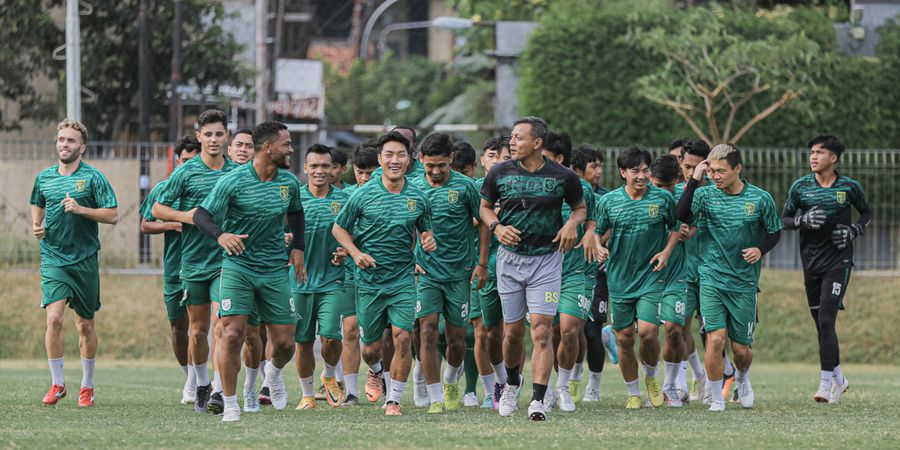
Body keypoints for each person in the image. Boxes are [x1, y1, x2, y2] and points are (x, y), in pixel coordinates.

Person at [192, 121, 306, 422]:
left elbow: (296, 212)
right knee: (231, 334)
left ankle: (273, 373)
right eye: (287, 144)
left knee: (284, 344)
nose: (291, 149)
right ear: (268, 148)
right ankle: (230, 402)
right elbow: (201, 215)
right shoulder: (233, 181)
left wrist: (298, 248)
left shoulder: (289, 183)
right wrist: (220, 235)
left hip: (274, 270)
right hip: (238, 267)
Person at [480, 116, 586, 421]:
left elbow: (580, 209)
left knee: (541, 330)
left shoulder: (563, 176)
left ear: (537, 143)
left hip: (547, 262)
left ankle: (538, 400)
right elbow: (484, 207)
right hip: (510, 261)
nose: (512, 143)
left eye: (518, 138)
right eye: (512, 137)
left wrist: (570, 224)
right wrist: (497, 228)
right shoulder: (499, 172)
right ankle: (512, 384)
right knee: (512, 333)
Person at [332, 131, 435, 416]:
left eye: (400, 155)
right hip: (369, 281)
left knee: (403, 336)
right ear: (380, 160)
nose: (394, 160)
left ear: (409, 159)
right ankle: (375, 370)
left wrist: (429, 241)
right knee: (371, 349)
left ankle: (394, 400)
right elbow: (338, 229)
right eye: (388, 155)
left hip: (403, 279)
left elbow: (426, 231)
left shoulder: (418, 197)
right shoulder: (363, 195)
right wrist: (355, 253)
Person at [675, 143, 782, 412]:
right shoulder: (706, 195)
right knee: (715, 339)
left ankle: (743, 379)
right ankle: (715, 397)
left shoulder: (760, 199)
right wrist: (695, 179)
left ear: (737, 169)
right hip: (711, 278)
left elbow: (774, 232)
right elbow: (681, 214)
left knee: (742, 349)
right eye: (711, 170)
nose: (715, 176)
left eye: (721, 171)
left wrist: (760, 249)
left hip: (744, 283)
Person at [153, 109, 238, 414]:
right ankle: (201, 383)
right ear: (199, 135)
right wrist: (185, 216)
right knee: (198, 330)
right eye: (209, 134)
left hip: (226, 261)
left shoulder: (236, 172)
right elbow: (158, 209)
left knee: (222, 324)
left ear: (226, 136)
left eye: (219, 134)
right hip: (192, 262)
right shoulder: (185, 172)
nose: (214, 139)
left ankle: (218, 388)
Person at [32, 119, 118, 407]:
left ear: (82, 146)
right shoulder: (44, 177)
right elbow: (37, 201)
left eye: (70, 140)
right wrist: (36, 224)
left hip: (84, 259)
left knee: (85, 326)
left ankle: (87, 386)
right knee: (54, 318)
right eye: (61, 140)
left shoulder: (93, 178)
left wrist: (81, 209)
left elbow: (112, 214)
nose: (64, 144)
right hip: (54, 257)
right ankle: (57, 383)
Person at [781, 134, 871, 404]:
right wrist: (801, 220)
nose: (813, 157)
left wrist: (853, 230)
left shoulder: (850, 187)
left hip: (838, 261)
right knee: (821, 326)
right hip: (811, 263)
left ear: (833, 158)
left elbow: (867, 214)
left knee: (826, 320)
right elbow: (784, 219)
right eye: (811, 152)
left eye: (819, 152)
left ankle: (824, 383)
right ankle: (840, 379)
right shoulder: (800, 187)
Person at [595, 146, 679, 410]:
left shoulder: (662, 200)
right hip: (619, 279)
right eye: (635, 171)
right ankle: (633, 392)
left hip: (650, 277)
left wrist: (666, 251)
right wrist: (598, 246)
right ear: (623, 173)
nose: (642, 176)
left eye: (645, 170)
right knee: (624, 339)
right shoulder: (609, 201)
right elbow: (597, 231)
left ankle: (652, 377)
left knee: (649, 332)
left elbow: (676, 228)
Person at [410, 132, 486, 413]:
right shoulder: (413, 187)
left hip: (459, 273)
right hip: (426, 272)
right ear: (421, 160)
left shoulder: (466, 187)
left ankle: (451, 377)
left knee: (456, 339)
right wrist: (412, 256)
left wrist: (482, 263)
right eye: (430, 165)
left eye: (442, 165)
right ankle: (434, 397)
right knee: (426, 330)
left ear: (451, 159)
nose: (436, 171)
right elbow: (406, 225)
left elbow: (484, 222)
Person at [139, 136, 200, 404]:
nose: (188, 165)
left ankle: (196, 382)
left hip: (200, 266)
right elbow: (146, 224)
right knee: (178, 328)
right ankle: (189, 375)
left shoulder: (208, 187)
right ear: (177, 161)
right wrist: (174, 224)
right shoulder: (164, 189)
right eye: (184, 161)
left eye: (193, 161)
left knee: (200, 327)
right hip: (173, 268)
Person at [291, 144, 352, 410]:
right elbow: (274, 234)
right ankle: (306, 395)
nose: (319, 171)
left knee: (330, 338)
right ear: (305, 168)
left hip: (333, 281)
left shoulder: (345, 200)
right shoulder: (293, 200)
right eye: (313, 166)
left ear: (333, 170)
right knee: (303, 342)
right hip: (299, 282)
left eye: (324, 166)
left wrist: (346, 251)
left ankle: (329, 373)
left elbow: (357, 236)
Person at [541, 133, 597, 413]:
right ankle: (547, 388)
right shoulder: (534, 185)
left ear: (559, 158)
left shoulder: (581, 188)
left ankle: (563, 386)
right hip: (543, 270)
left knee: (569, 331)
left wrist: (590, 234)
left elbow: (594, 218)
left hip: (577, 271)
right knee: (548, 332)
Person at [463, 136, 512, 410]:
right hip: (477, 268)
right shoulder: (472, 189)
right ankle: (488, 390)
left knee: (507, 331)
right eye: (491, 155)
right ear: (482, 161)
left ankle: (509, 383)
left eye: (502, 157)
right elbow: (464, 221)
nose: (496, 161)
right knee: (481, 331)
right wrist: (489, 214)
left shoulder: (518, 188)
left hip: (510, 266)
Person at [570, 144, 614, 402]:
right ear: (578, 169)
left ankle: (594, 387)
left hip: (597, 272)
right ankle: (572, 380)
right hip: (570, 270)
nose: (598, 171)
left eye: (600, 165)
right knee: (571, 329)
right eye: (593, 166)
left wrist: (597, 242)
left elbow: (606, 227)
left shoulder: (606, 197)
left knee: (592, 331)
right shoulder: (570, 195)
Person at [649, 153, 693, 407]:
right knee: (647, 333)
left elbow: (694, 226)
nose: (664, 192)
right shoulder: (642, 195)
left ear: (677, 180)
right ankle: (651, 380)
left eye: (669, 186)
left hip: (676, 274)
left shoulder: (684, 199)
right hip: (647, 277)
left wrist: (688, 232)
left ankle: (670, 385)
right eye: (659, 186)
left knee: (675, 330)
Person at [338, 143, 380, 406]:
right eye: (360, 172)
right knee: (349, 330)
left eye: (370, 172)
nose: (364, 178)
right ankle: (351, 392)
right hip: (347, 274)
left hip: (380, 274)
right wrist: (341, 251)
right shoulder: (346, 196)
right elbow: (337, 231)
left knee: (374, 339)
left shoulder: (389, 195)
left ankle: (376, 369)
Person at [674, 140, 713, 404]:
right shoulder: (675, 192)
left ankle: (712, 380)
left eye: (696, 167)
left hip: (712, 272)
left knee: (713, 332)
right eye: (686, 166)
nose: (691, 172)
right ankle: (690, 378)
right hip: (683, 272)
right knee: (678, 329)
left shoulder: (718, 192)